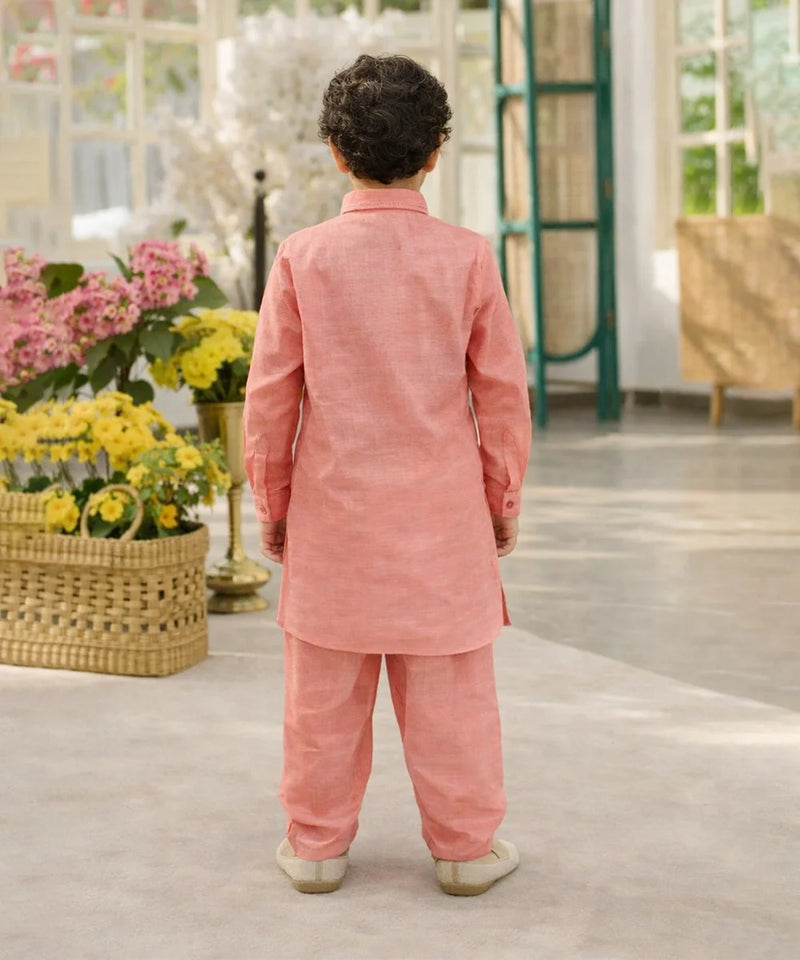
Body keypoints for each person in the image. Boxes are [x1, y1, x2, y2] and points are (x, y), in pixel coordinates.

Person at [244, 53, 531, 897]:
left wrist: (274, 504)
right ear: (434, 152)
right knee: (453, 700)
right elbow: (502, 397)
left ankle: (317, 847)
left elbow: (271, 400)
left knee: (321, 699)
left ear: (336, 150)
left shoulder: (302, 257)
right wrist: (500, 500)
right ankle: (465, 850)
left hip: (335, 522)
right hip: (441, 526)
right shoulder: (469, 258)